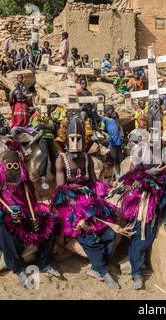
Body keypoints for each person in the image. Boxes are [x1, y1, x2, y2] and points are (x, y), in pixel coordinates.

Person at [52, 116, 134, 289]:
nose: (75, 143)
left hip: (90, 199)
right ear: (66, 139)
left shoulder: (88, 159)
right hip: (70, 202)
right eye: (72, 139)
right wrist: (76, 203)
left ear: (85, 139)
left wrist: (100, 197)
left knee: (111, 232)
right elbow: (61, 188)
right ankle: (103, 271)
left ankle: (96, 268)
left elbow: (95, 183)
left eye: (79, 139)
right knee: (88, 235)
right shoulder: (61, 160)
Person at [0, 140, 60, 286]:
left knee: (50, 221)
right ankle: (18, 268)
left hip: (25, 219)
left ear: (21, 167)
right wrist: (5, 216)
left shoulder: (26, 185)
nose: (13, 169)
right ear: (3, 167)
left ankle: (43, 262)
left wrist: (35, 219)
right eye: (9, 166)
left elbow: (32, 206)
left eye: (16, 166)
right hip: (8, 224)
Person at [117, 131, 166, 290]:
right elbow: (132, 174)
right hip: (147, 195)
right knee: (142, 232)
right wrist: (140, 179)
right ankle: (136, 272)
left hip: (165, 193)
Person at [30, 98, 60, 190]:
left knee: (55, 156)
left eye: (48, 107)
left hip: (50, 138)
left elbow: (53, 127)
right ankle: (42, 176)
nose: (47, 108)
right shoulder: (36, 115)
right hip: (42, 138)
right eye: (46, 107)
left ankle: (56, 175)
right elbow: (37, 127)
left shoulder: (48, 116)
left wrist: (44, 125)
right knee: (45, 155)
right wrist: (46, 126)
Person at [100, 105, 124, 179]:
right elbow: (101, 130)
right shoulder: (104, 120)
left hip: (119, 142)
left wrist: (116, 119)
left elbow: (119, 127)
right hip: (112, 142)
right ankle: (116, 175)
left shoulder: (114, 119)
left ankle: (121, 173)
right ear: (107, 111)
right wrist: (106, 134)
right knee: (113, 160)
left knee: (120, 160)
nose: (113, 112)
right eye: (111, 110)